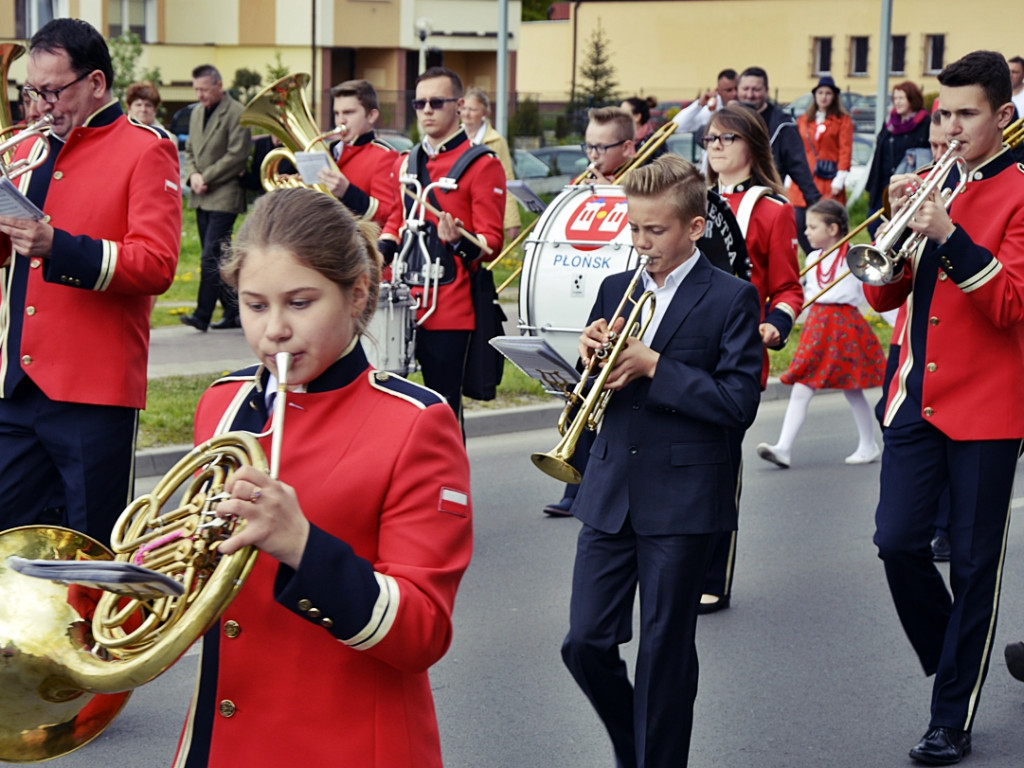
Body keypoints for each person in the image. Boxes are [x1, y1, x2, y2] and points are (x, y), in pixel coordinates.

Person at [171, 186, 473, 768]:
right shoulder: (222, 404)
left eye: (300, 303)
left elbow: (424, 632)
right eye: (255, 306)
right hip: (222, 738)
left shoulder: (415, 422)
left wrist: (301, 545)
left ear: (356, 295)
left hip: (348, 743)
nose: (274, 330)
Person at [560, 154, 762, 768]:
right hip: (610, 489)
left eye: (655, 230)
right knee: (584, 642)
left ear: (695, 228)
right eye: (634, 227)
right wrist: (588, 355)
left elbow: (738, 403)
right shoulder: (615, 289)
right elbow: (595, 389)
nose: (640, 242)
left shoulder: (731, 297)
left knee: (664, 650)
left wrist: (655, 367)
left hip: (683, 498)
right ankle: (636, 743)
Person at [863, 50, 1024, 765]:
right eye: (942, 115)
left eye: (966, 115)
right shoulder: (933, 188)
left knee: (975, 566)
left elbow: (1010, 304)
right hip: (913, 398)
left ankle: (950, 716)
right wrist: (895, 231)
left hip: (988, 408)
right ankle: (959, 651)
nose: (949, 130)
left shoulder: (1019, 193)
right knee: (897, 542)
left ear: (1003, 116)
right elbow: (881, 294)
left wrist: (949, 236)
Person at [0, 18, 180, 541]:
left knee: (91, 547)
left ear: (96, 82)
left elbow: (157, 263)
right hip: (17, 385)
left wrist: (58, 246)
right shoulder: (25, 151)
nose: (40, 106)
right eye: (32, 92)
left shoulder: (146, 148)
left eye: (52, 91)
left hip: (93, 393)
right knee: (10, 541)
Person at [701, 103, 801, 613]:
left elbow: (787, 288)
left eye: (728, 138)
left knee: (717, 473)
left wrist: (776, 323)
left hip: (734, 359)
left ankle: (712, 577)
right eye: (710, 139)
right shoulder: (688, 200)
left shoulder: (772, 210)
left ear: (752, 145)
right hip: (679, 351)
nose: (716, 147)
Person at [379, 66, 506, 423]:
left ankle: (449, 464)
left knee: (443, 410)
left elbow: (491, 244)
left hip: (448, 308)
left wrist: (458, 240)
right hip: (398, 302)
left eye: (436, 102)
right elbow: (396, 220)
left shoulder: (482, 165)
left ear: (459, 106)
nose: (426, 110)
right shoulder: (406, 162)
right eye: (419, 103)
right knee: (389, 406)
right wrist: (378, 253)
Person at [541, 105, 638, 517]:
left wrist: (615, 194)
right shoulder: (584, 188)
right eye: (589, 147)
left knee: (607, 396)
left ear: (628, 148)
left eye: (602, 147)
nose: (593, 156)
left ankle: (593, 488)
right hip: (585, 295)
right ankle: (574, 483)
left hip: (625, 296)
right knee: (581, 389)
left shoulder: (641, 186)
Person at [756, 199, 884, 468]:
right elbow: (805, 295)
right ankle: (783, 448)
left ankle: (868, 444)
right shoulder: (814, 258)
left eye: (813, 227)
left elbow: (870, 295)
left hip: (845, 327)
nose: (806, 232)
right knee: (803, 386)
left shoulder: (855, 256)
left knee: (853, 389)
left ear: (833, 229)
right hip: (817, 327)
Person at [181, 64, 252, 332]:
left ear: (219, 86)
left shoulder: (237, 113)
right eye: (196, 89)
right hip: (201, 195)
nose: (199, 95)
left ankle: (202, 315)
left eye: (204, 89)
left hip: (224, 195)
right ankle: (234, 312)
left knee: (210, 256)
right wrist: (192, 176)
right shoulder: (197, 112)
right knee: (220, 258)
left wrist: (205, 177)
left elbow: (237, 155)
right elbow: (189, 149)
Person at [736, 66, 821, 221]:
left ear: (766, 90)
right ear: (738, 89)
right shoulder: (728, 118)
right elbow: (704, 136)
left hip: (767, 199)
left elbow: (799, 166)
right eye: (745, 89)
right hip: (733, 198)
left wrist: (815, 202)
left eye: (756, 89)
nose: (750, 94)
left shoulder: (783, 125)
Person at [316, 78, 397, 229]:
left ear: (371, 116)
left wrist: (348, 192)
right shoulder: (329, 150)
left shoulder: (384, 156)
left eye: (348, 112)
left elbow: (388, 215)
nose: (340, 121)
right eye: (337, 113)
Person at [789, 76, 854, 253]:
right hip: (803, 179)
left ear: (834, 96)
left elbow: (845, 150)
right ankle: (813, 257)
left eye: (828, 93)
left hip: (828, 180)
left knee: (826, 223)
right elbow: (796, 148)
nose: (824, 97)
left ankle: (830, 257)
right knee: (799, 222)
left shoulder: (843, 121)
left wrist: (840, 177)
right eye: (820, 93)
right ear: (815, 95)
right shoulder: (804, 120)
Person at [865, 80, 931, 237]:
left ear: (912, 99)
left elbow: (930, 151)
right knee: (874, 224)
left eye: (902, 98)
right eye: (895, 98)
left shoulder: (924, 122)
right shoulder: (890, 122)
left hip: (906, 185)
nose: (897, 102)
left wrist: (916, 155)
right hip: (883, 183)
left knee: (899, 228)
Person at [461, 86, 522, 240]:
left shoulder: (496, 141)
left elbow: (506, 179)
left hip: (485, 206)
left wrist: (512, 220)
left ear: (485, 113)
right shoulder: (454, 137)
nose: (466, 114)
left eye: (472, 110)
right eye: (464, 108)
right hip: (460, 206)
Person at [672, 68, 738, 133]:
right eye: (729, 90)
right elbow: (676, 126)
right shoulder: (709, 110)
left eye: (736, 88)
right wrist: (699, 105)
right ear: (718, 90)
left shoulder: (744, 102)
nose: (734, 93)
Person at [621, 95, 666, 161]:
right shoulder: (620, 141)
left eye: (623, 114)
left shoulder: (655, 141)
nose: (618, 117)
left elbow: (663, 166)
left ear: (637, 117)